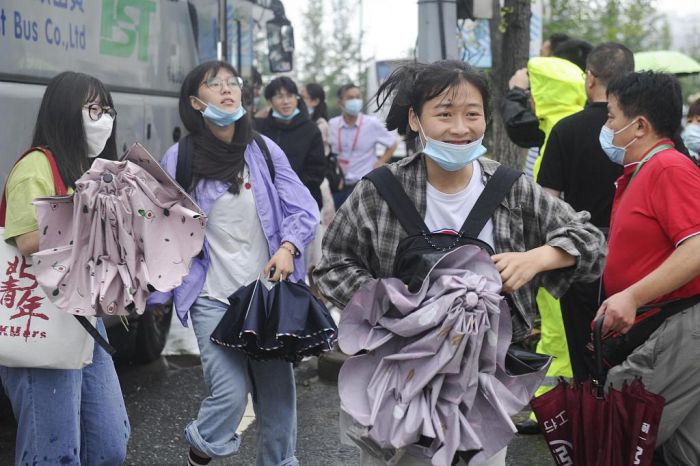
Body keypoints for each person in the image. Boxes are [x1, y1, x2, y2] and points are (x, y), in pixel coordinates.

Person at [314, 60, 606, 466]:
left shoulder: (511, 189)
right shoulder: (379, 191)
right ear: (415, 119)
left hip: (485, 380)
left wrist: (536, 259)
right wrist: (395, 308)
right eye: (444, 114)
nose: (460, 128)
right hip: (399, 376)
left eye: (472, 114)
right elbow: (332, 264)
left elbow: (591, 242)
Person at [148, 61, 319, 466]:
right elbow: (161, 226)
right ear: (195, 101)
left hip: (267, 298)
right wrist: (157, 294)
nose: (227, 90)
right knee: (227, 393)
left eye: (233, 83)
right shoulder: (181, 156)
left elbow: (304, 209)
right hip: (212, 296)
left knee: (278, 403)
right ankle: (202, 446)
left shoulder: (262, 150)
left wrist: (289, 248)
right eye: (215, 84)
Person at [0, 71, 129, 465]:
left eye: (106, 109)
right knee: (52, 453)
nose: (102, 118)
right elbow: (28, 240)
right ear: (64, 111)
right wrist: (98, 217)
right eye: (93, 108)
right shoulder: (36, 166)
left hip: (84, 320)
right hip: (41, 318)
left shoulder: (87, 168)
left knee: (109, 443)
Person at [595, 71, 700, 465]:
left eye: (610, 117)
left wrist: (633, 296)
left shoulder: (669, 169)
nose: (607, 128)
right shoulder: (646, 171)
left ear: (639, 125)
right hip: (667, 326)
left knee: (618, 431)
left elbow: (697, 246)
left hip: (676, 325)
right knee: (684, 449)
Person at [537, 42, 634, 382]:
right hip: (639, 257)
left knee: (583, 347)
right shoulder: (642, 131)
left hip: (581, 257)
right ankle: (630, 422)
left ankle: (587, 423)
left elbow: (547, 200)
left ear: (590, 79)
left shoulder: (566, 129)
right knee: (633, 348)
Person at [255, 76, 326, 210]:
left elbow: (316, 171)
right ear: (270, 101)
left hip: (302, 202)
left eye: (290, 96)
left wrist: (290, 191)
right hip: (265, 203)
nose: (286, 101)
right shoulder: (259, 129)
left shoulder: (310, 129)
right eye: (279, 97)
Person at [328, 83, 398, 208]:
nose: (355, 101)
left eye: (358, 97)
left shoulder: (371, 123)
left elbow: (392, 143)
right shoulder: (332, 125)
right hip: (339, 187)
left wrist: (381, 162)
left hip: (364, 184)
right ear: (340, 103)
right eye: (350, 98)